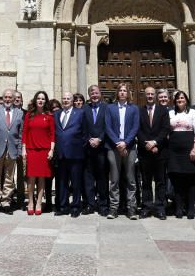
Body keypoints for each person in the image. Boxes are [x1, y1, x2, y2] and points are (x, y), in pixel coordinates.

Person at [105, 84, 139, 220]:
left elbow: (135, 127)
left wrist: (125, 142)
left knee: (131, 179)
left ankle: (131, 208)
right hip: (113, 147)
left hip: (129, 147)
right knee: (114, 179)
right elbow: (107, 127)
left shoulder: (134, 108)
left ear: (128, 93)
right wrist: (117, 142)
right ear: (117, 93)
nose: (123, 93)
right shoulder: (110, 108)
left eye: (125, 91)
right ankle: (114, 208)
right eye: (120, 90)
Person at [167, 91, 195, 219]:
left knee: (190, 179)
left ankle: (191, 208)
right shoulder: (170, 113)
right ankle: (179, 208)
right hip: (174, 150)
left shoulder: (193, 113)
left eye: (182, 98)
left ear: (186, 100)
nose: (180, 100)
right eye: (177, 98)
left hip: (189, 149)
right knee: (177, 180)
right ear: (174, 101)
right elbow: (167, 130)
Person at [138, 86, 169, 219]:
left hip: (160, 151)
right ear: (144, 96)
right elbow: (137, 130)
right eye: (148, 94)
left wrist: (155, 143)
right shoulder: (139, 111)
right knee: (145, 181)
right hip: (145, 151)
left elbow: (165, 129)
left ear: (155, 95)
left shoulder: (163, 110)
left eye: (152, 94)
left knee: (160, 180)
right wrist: (147, 144)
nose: (150, 96)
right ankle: (146, 206)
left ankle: (160, 207)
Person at [22, 91, 55, 216]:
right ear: (35, 100)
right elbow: (24, 133)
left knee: (41, 178)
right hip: (31, 150)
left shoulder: (50, 116)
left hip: (44, 151)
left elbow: (52, 135)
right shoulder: (29, 115)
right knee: (31, 178)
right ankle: (30, 202)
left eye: (43, 99)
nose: (40, 100)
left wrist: (51, 150)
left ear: (45, 101)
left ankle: (39, 202)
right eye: (39, 98)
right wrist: (24, 149)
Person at [55, 93, 86, 217]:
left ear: (72, 101)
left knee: (76, 182)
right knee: (62, 181)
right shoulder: (57, 114)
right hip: (61, 153)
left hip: (75, 153)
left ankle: (76, 206)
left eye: (68, 98)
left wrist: (79, 147)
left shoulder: (80, 113)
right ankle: (63, 206)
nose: (66, 100)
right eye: (64, 98)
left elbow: (85, 133)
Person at [83, 84, 109, 216]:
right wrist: (89, 139)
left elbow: (108, 126)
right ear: (89, 95)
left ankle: (103, 205)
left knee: (102, 178)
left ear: (100, 94)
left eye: (96, 93)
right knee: (88, 178)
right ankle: (90, 204)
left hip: (102, 148)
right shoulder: (84, 109)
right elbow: (82, 127)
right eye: (92, 93)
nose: (94, 95)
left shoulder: (107, 108)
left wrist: (99, 139)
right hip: (88, 149)